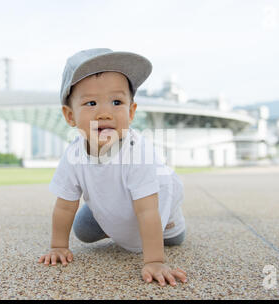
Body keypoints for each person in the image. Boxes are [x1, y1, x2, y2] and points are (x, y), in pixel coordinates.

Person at [38, 48, 187, 286]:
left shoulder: (138, 153)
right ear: (70, 116)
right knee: (83, 230)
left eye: (116, 102)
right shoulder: (74, 154)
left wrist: (154, 261)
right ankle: (119, 224)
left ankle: (171, 221)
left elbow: (147, 211)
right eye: (91, 103)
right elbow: (65, 206)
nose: (105, 112)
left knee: (174, 237)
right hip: (119, 201)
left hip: (155, 201)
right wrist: (58, 246)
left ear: (130, 112)